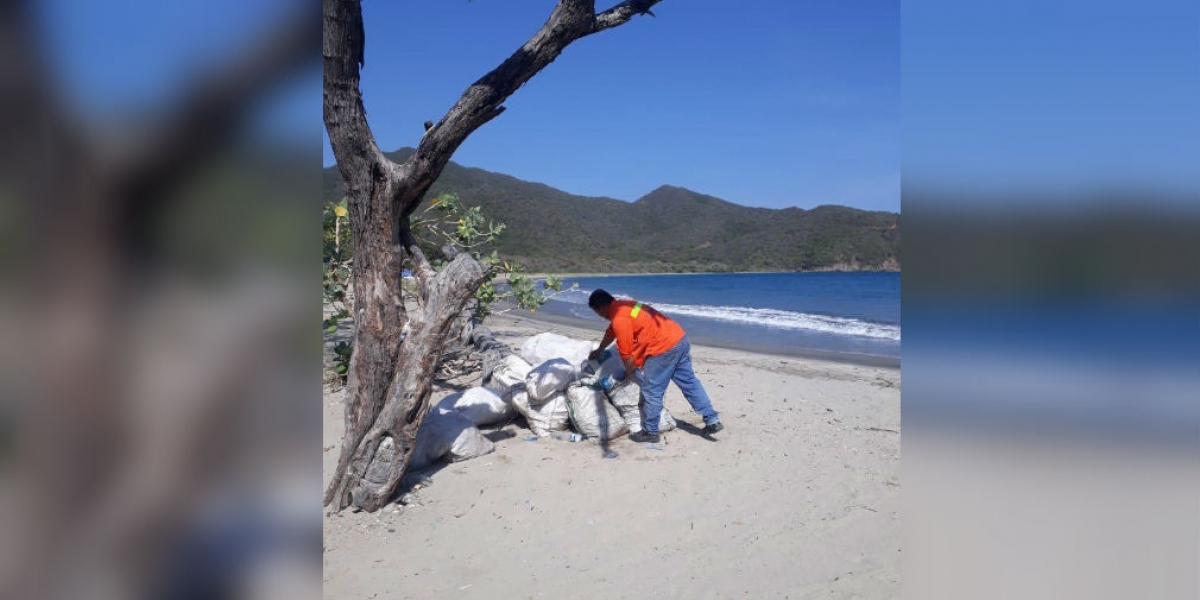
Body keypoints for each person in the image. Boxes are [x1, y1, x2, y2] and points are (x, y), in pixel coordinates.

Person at [587, 289, 723, 443]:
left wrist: (629, 372)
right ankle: (712, 420)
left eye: (597, 312)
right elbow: (612, 332)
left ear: (601, 308)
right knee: (690, 383)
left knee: (651, 390)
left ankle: (651, 432)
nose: (600, 316)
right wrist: (600, 349)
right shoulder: (626, 305)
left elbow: (626, 353)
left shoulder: (620, 319)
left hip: (662, 349)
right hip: (678, 338)